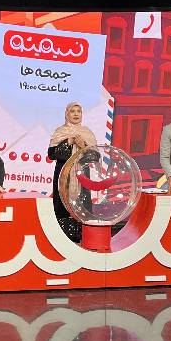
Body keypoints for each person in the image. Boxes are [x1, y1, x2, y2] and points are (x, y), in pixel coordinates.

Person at [48, 102, 98, 241]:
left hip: (82, 176)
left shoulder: (87, 133)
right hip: (64, 175)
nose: (76, 114)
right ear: (67, 114)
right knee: (62, 203)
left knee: (83, 204)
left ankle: (82, 236)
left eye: (78, 111)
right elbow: (52, 155)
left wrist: (83, 146)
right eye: (72, 111)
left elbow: (95, 157)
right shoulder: (60, 132)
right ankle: (61, 238)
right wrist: (68, 142)